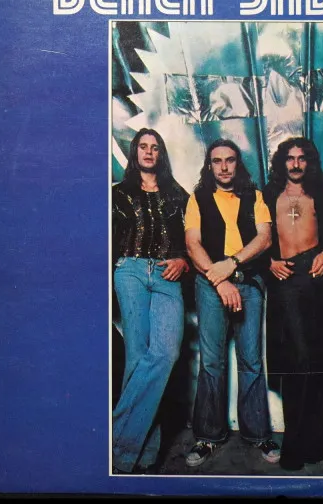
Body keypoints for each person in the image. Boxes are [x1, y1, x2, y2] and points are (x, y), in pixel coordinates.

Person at [183, 138, 280, 467]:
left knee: (251, 360)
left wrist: (233, 264)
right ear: (209, 166)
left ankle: (258, 434)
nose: (224, 167)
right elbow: (192, 245)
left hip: (249, 281)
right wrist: (220, 280)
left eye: (230, 160)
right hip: (211, 283)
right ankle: (207, 437)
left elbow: (265, 238)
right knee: (212, 362)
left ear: (238, 163)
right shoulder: (197, 198)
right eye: (217, 161)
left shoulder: (255, 196)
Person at [112, 128, 190, 474]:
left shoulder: (177, 194)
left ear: (161, 154)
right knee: (137, 356)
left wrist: (183, 260)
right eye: (143, 146)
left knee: (166, 353)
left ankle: (116, 441)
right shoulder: (117, 193)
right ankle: (140, 456)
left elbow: (192, 238)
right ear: (135, 152)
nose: (148, 152)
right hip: (129, 271)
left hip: (165, 273)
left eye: (155, 147)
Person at [262, 137, 323, 471]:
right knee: (298, 360)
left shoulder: (318, 192)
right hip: (285, 279)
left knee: (322, 358)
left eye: (301, 158)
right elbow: (257, 236)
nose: (295, 164)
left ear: (309, 163)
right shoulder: (269, 194)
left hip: (317, 276)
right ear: (281, 163)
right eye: (290, 158)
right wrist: (268, 262)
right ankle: (295, 444)